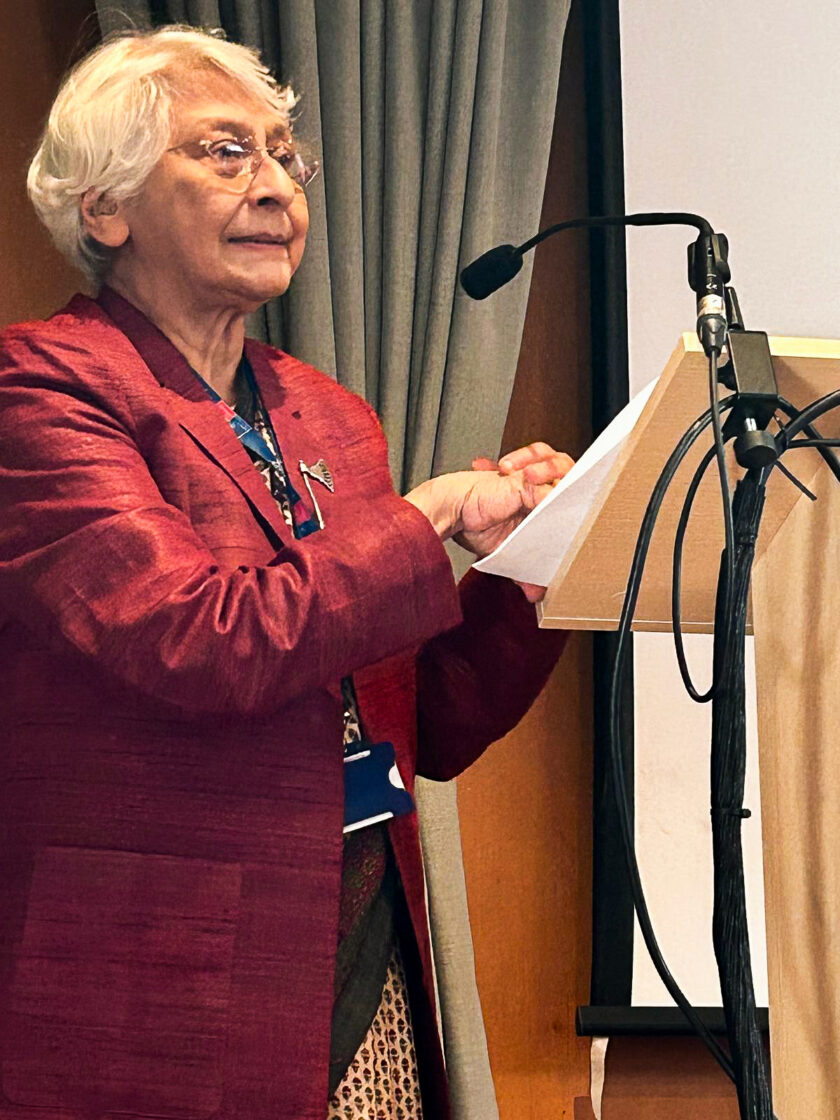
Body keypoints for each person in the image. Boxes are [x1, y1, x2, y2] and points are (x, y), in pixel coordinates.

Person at [0, 26, 572, 1120]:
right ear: (105, 209)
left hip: (360, 969)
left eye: (285, 157)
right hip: (149, 997)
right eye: (225, 153)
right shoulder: (43, 393)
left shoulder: (331, 412)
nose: (274, 186)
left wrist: (535, 570)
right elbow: (197, 637)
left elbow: (424, 722)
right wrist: (435, 511)